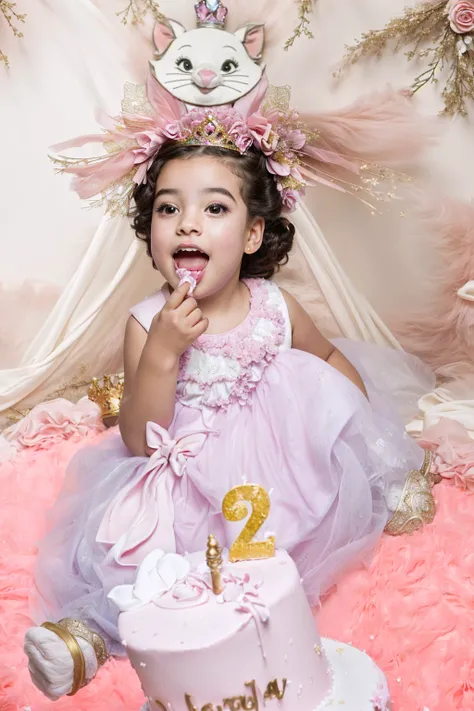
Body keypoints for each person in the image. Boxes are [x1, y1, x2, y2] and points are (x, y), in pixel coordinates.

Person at [24, 138, 436, 700]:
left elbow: (329, 361)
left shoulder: (273, 306)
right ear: (152, 235)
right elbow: (141, 440)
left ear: (252, 234)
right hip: (190, 481)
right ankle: (88, 636)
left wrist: (370, 439)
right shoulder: (147, 321)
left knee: (315, 505)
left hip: (278, 465)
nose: (188, 224)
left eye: (214, 208)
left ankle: (387, 482)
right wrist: (164, 352)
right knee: (149, 567)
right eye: (169, 209)